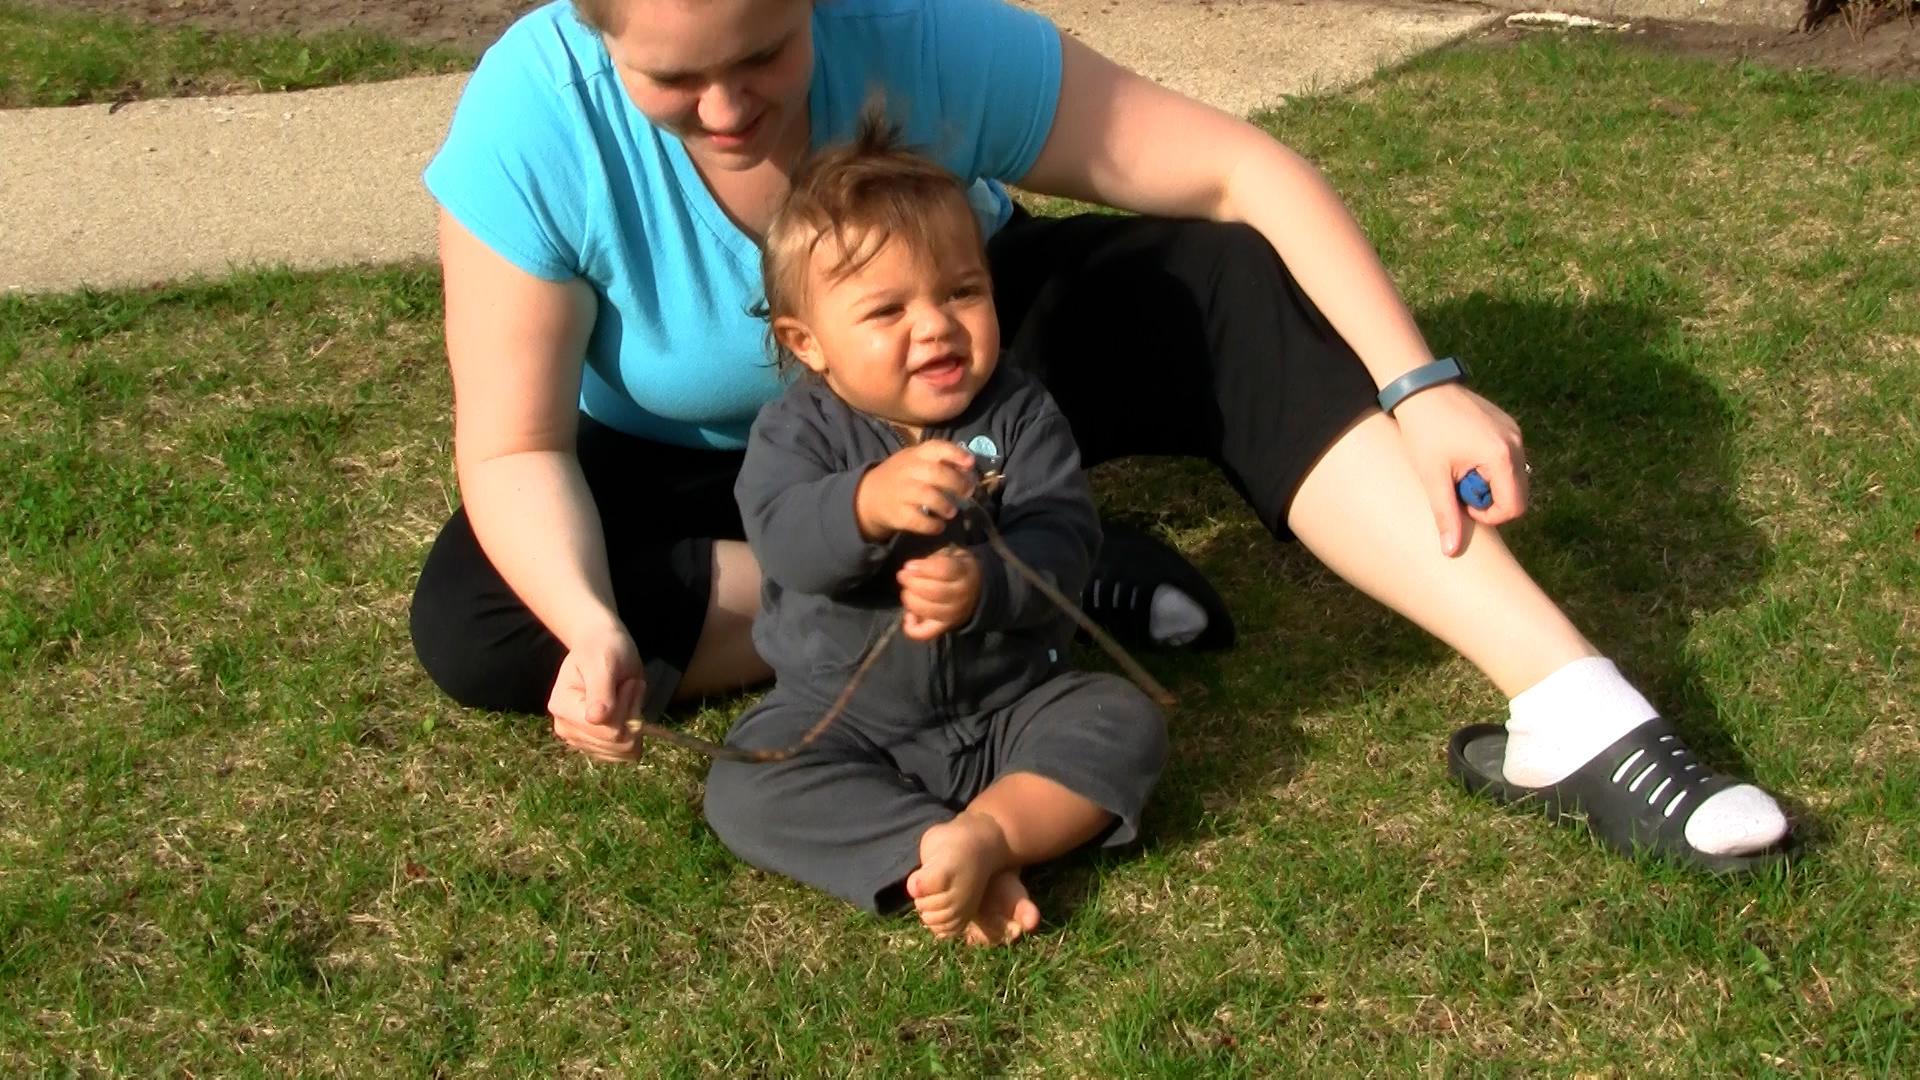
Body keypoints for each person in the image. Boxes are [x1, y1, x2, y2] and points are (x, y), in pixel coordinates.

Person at [409, 0, 1790, 873]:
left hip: (965, 383)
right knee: (487, 618)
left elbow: (1240, 171)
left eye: (763, 52)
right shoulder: (537, 118)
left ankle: (1577, 718)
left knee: (1212, 277)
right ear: (594, 34)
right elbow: (519, 449)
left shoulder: (921, 33)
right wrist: (592, 622)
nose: (726, 109)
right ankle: (1047, 567)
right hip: (701, 467)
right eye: (672, 76)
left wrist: (1416, 380)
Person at [702, 116, 1166, 944]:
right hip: (841, 719)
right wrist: (863, 505)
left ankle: (991, 832)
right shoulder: (795, 434)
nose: (936, 326)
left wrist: (987, 583)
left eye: (961, 291)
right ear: (807, 343)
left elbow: (1063, 543)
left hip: (1009, 702)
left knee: (1120, 719)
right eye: (887, 310)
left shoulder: (1019, 417)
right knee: (743, 788)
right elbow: (783, 541)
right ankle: (929, 848)